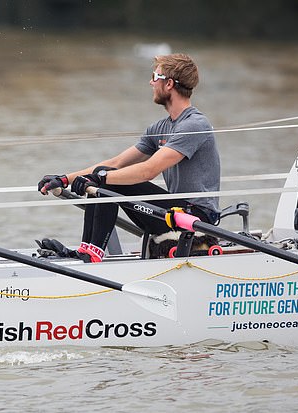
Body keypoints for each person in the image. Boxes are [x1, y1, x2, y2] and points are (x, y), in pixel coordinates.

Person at [37, 53, 220, 262]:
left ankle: (92, 255)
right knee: (104, 175)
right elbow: (116, 163)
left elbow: (149, 170)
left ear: (169, 84)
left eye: (155, 77)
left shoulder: (195, 125)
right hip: (174, 212)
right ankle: (86, 250)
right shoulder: (159, 128)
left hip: (197, 217)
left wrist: (100, 178)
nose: (150, 82)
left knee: (106, 179)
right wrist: (64, 179)